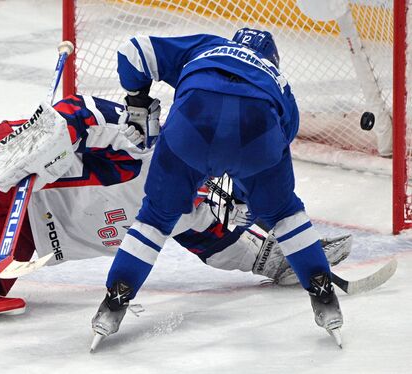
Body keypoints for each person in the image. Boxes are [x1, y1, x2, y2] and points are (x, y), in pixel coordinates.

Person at [0, 94, 350, 320]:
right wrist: (57, 136)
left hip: (28, 229)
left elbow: (237, 251)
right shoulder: (148, 139)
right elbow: (79, 111)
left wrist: (284, 262)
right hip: (12, 160)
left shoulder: (190, 212)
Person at [91, 28, 345, 347]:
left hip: (193, 119)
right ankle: (321, 290)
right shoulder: (280, 82)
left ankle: (115, 299)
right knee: (285, 214)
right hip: (258, 127)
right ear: (272, 59)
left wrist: (137, 102)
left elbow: (132, 51)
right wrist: (243, 199)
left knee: (155, 220)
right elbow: (274, 147)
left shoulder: (210, 46)